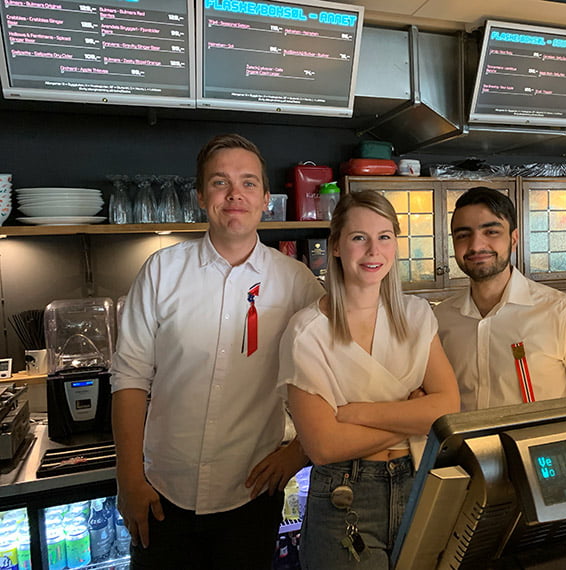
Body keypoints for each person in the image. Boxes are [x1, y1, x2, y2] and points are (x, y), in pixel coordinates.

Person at [110, 133, 324, 569]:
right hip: (161, 495)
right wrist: (129, 478)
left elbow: (332, 375)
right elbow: (129, 378)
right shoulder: (161, 271)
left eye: (248, 183)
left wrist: (299, 450)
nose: (234, 195)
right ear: (200, 196)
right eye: (219, 182)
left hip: (250, 497)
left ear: (266, 198)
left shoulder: (298, 281)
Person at [277, 191, 460, 569]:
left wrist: (355, 412)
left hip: (419, 484)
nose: (373, 250)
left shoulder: (416, 316)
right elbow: (324, 446)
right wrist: (411, 417)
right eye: (359, 237)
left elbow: (447, 409)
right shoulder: (307, 332)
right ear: (337, 246)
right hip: (344, 493)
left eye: (384, 236)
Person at [434, 186, 566, 411]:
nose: (476, 245)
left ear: (514, 239)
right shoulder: (441, 320)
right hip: (464, 447)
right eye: (463, 235)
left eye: (491, 232)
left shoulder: (565, 314)